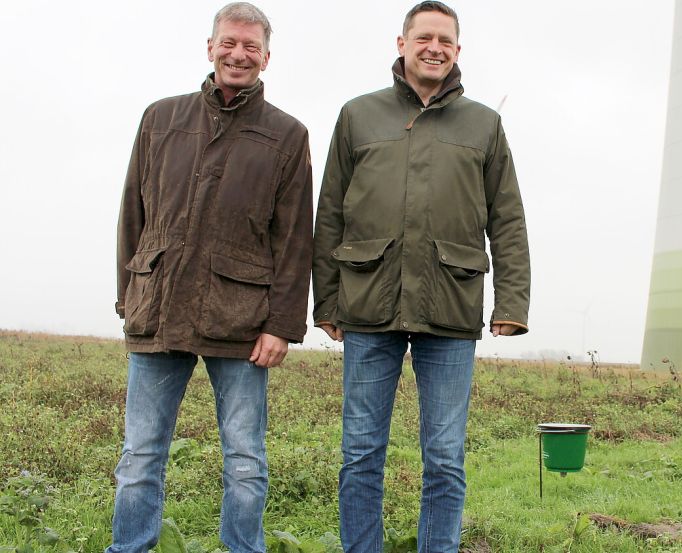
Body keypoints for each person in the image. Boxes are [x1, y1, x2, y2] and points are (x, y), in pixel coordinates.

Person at [312, 2, 531, 551]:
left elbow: (507, 216)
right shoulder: (357, 115)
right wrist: (327, 300)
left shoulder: (485, 123)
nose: (435, 47)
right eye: (424, 37)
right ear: (402, 44)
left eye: (446, 41)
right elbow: (330, 211)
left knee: (444, 456)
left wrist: (513, 302)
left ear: (458, 51)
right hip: (367, 301)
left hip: (450, 305)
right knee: (360, 452)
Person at [109, 3, 312, 552]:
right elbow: (134, 211)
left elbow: (294, 238)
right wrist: (131, 292)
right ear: (210, 47)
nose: (238, 54)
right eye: (229, 43)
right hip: (159, 306)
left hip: (241, 323)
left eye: (250, 47)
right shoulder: (160, 117)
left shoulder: (288, 135)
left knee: (245, 460)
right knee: (140, 454)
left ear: (266, 57)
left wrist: (282, 325)